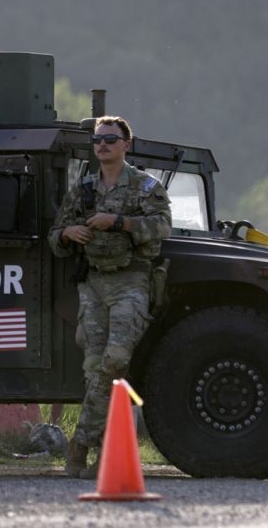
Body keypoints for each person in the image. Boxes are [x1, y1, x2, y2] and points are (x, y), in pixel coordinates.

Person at [47, 116, 172, 478]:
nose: (102, 145)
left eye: (110, 139)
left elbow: (162, 226)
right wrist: (69, 233)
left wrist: (117, 222)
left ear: (126, 145)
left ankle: (81, 442)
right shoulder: (84, 188)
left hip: (131, 280)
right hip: (93, 284)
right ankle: (104, 453)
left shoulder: (145, 187)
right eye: (98, 140)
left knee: (115, 361)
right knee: (94, 370)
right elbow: (55, 236)